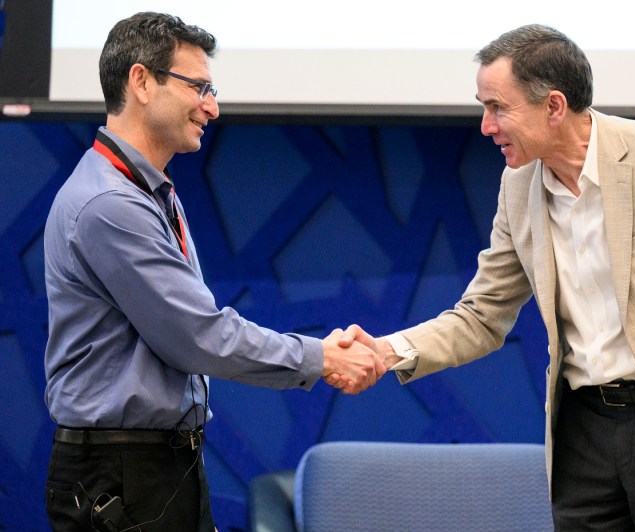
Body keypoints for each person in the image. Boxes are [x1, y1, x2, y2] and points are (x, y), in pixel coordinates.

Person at [334, 23, 635, 530]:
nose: (486, 126)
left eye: (497, 107)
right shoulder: (517, 185)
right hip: (582, 434)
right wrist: (386, 350)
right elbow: (482, 315)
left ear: (553, 106)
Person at [42, 12, 384, 531]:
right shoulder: (110, 203)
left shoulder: (145, 191)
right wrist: (318, 357)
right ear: (140, 81)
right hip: (121, 474)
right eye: (198, 87)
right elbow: (198, 336)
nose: (212, 106)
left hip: (158, 467)